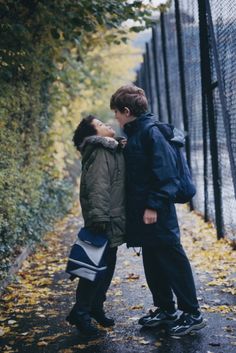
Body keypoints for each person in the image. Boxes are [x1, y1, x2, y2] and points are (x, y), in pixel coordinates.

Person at [110, 84, 206, 336]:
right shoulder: (137, 133)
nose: (115, 118)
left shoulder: (151, 133)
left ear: (127, 111)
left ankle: (192, 313)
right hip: (145, 212)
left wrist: (153, 205)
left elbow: (167, 176)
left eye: (116, 113)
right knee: (154, 261)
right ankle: (166, 309)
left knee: (172, 259)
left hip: (156, 211)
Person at [66, 115, 126, 337]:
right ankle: (81, 313)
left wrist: (121, 145)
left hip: (111, 218)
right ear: (93, 135)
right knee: (94, 270)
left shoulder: (110, 149)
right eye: (100, 125)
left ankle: (94, 307)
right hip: (104, 220)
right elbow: (98, 186)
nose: (107, 125)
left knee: (105, 267)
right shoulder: (100, 152)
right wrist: (99, 218)